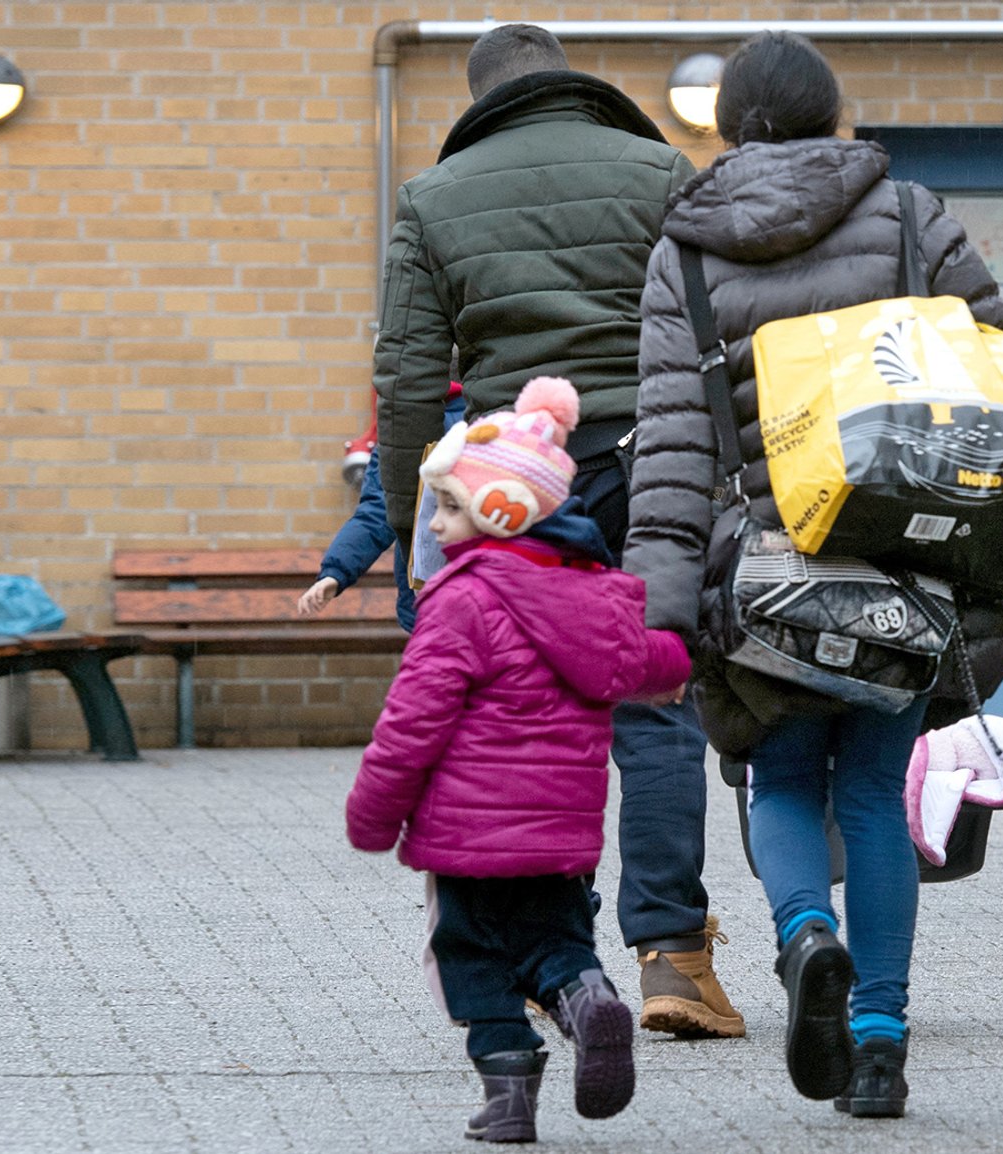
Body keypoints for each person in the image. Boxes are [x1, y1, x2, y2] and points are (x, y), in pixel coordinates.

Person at [622, 31, 1003, 1118]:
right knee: (878, 800)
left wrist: (658, 608)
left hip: (757, 576)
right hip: (898, 561)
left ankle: (805, 938)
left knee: (780, 778)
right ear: (832, 114)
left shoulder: (685, 254)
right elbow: (995, 364)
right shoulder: (909, 214)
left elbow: (668, 445)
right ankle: (880, 1042)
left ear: (726, 124)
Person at [370, 23, 743, 1037]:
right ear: (574, 87)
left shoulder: (432, 197)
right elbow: (720, 327)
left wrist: (420, 511)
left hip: (512, 480)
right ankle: (670, 955)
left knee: (526, 707)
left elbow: (405, 372)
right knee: (657, 698)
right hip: (657, 461)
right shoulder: (658, 167)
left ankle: (555, 954)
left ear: (479, 98)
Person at [346, 378, 692, 1144]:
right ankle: (585, 995)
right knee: (556, 939)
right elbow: (649, 660)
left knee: (467, 953)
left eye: (448, 509)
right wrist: (682, 662)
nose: (434, 524)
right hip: (560, 838)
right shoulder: (595, 598)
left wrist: (373, 811)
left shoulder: (459, 601)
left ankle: (507, 1093)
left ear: (499, 511)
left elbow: (413, 720)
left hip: (465, 836)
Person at [299, 383, 465, 630]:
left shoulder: (404, 427)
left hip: (429, 602)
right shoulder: (506, 420)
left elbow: (376, 512)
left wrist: (335, 571)